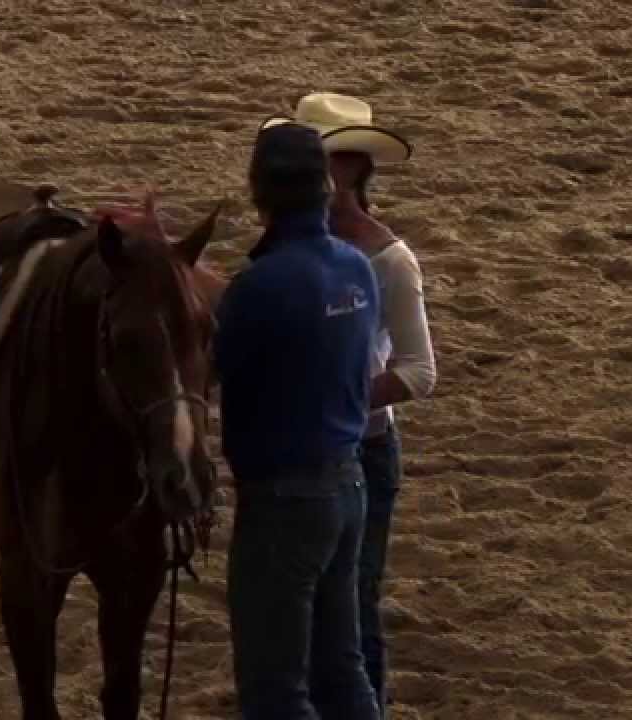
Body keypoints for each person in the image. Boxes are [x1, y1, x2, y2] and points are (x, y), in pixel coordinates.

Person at [262, 93, 438, 716]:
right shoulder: (291, 248)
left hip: (358, 446)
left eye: (334, 163)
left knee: (351, 613)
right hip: (304, 450)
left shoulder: (390, 260)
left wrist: (330, 399)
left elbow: (418, 373)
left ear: (356, 170)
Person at [214, 121, 382, 719]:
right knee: (342, 667)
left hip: (283, 500)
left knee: (275, 687)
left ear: (259, 192)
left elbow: (214, 367)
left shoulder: (258, 286)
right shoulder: (357, 269)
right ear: (324, 188)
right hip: (349, 482)